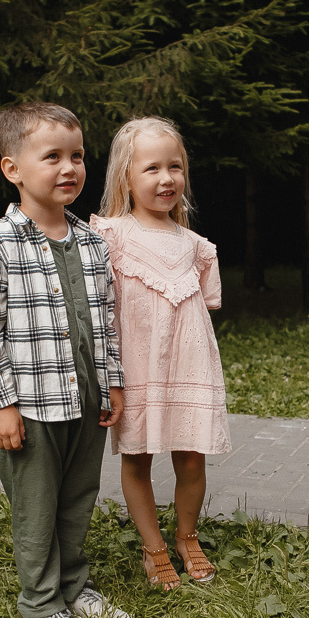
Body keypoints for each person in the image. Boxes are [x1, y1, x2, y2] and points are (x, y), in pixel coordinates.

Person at [0, 101, 129, 618]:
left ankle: (74, 583)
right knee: (37, 507)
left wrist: (113, 381)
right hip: (31, 406)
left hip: (85, 400)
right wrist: (0, 404)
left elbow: (105, 320)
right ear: (13, 169)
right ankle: (41, 604)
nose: (69, 168)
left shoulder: (91, 242)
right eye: (52, 157)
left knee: (77, 496)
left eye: (78, 156)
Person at [90, 117, 232, 590]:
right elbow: (101, 311)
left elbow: (203, 310)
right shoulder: (109, 236)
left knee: (192, 458)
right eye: (151, 168)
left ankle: (187, 537)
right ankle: (153, 549)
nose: (166, 178)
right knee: (138, 458)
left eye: (175, 167)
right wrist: (108, 377)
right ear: (126, 177)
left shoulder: (196, 247)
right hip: (136, 367)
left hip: (188, 366)